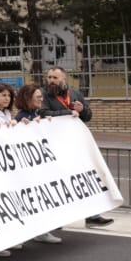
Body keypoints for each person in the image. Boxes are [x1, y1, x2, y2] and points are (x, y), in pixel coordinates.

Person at [41, 67, 111, 228]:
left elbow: (87, 116)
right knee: (58, 183)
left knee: (84, 179)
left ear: (63, 79)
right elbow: (43, 113)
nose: (51, 80)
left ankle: (92, 215)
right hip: (54, 145)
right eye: (49, 77)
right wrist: (68, 113)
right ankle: (56, 218)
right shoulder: (44, 94)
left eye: (55, 78)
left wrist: (82, 110)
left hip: (75, 144)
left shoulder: (75, 93)